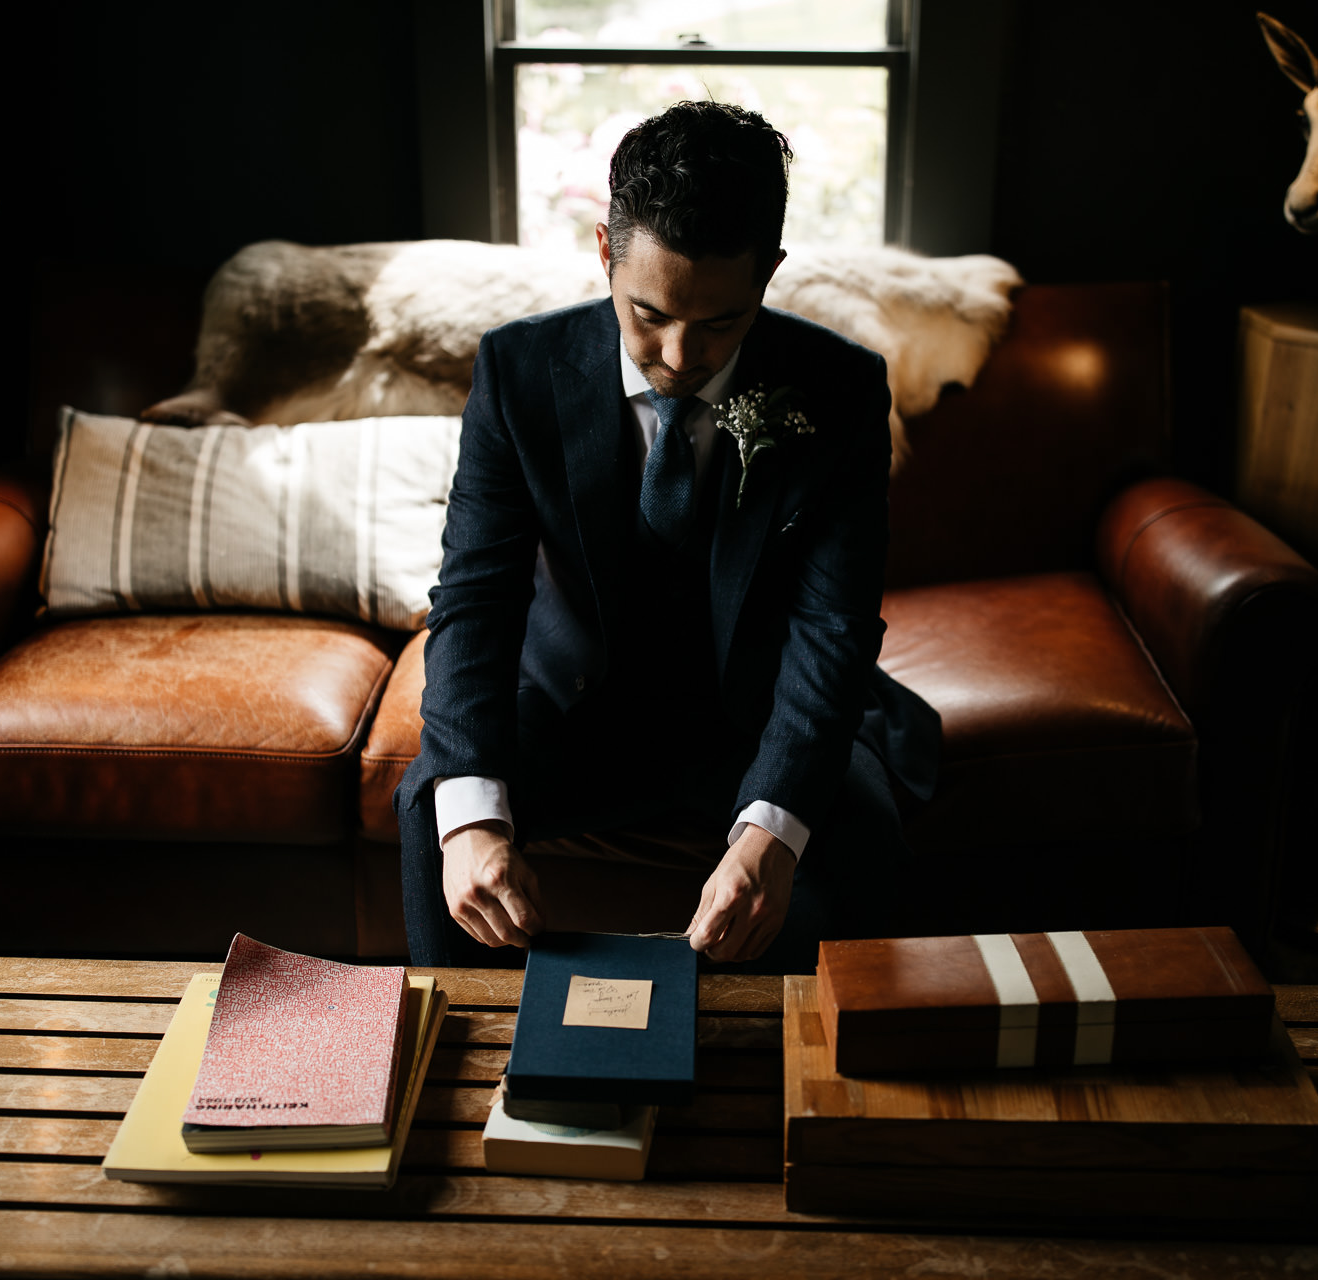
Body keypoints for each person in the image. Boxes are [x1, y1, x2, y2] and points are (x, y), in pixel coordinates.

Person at [396, 101, 938, 970]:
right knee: (439, 811)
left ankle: (800, 1087)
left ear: (769, 272)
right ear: (605, 253)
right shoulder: (518, 370)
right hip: (572, 705)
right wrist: (473, 821)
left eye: (719, 322)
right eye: (648, 313)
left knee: (866, 830)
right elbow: (474, 599)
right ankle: (474, 1080)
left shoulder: (838, 388)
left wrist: (772, 830)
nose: (681, 355)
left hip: (755, 711)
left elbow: (833, 626)